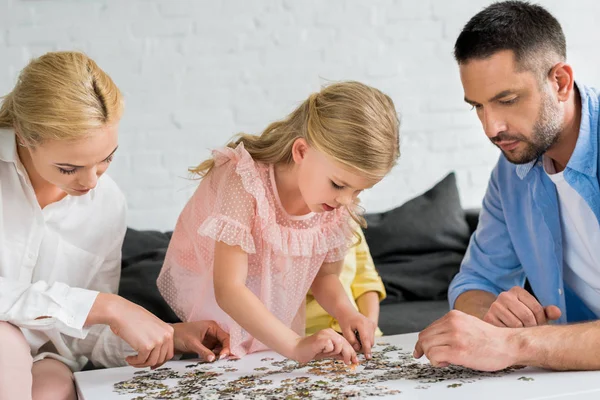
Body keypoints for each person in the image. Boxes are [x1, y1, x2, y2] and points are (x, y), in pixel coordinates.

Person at [0, 51, 229, 400]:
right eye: (68, 167)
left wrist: (166, 334)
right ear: (26, 137)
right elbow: (90, 308)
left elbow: (80, 335)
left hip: (44, 358)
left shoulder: (106, 203)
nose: (91, 182)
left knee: (54, 387)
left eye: (106, 159)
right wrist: (108, 306)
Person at [414, 1, 600, 372]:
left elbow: (520, 345)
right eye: (478, 107)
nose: (490, 128)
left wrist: (517, 343)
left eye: (507, 100)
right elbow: (475, 281)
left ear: (559, 82)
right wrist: (493, 314)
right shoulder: (510, 174)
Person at [158, 81, 400, 365]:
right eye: (338, 184)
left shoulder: (336, 203)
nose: (346, 200)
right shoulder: (243, 180)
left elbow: (325, 278)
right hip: (220, 311)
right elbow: (229, 289)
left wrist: (347, 312)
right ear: (301, 151)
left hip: (277, 322)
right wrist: (295, 345)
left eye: (358, 190)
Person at [305, 226, 386, 337]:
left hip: (356, 334)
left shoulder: (350, 221)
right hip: (306, 336)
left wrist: (369, 326)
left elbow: (366, 278)